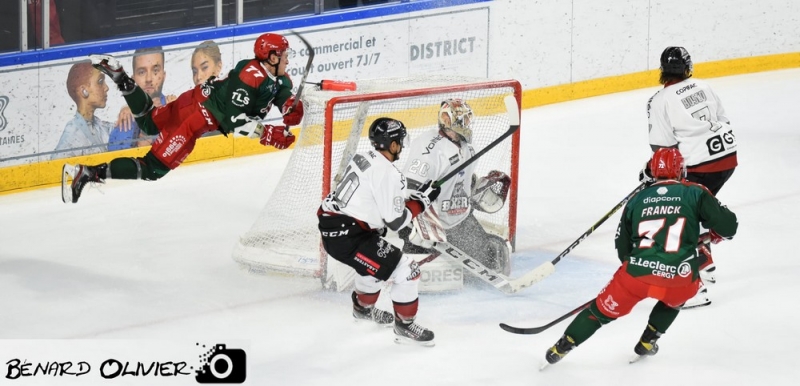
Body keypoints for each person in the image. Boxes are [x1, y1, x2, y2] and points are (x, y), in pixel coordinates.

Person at [545, 148, 738, 366]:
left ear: (652, 171)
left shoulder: (636, 200)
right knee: (676, 298)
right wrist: (714, 234)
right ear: (681, 171)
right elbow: (729, 226)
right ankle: (648, 340)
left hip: (636, 276)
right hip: (679, 277)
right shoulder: (695, 192)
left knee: (598, 313)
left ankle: (561, 347)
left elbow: (623, 248)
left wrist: (643, 265)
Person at [63, 33, 302, 203]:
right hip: (194, 118)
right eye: (284, 54)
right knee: (152, 168)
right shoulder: (250, 77)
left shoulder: (279, 78)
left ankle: (119, 76)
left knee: (148, 121)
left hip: (194, 102)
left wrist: (291, 109)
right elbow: (233, 120)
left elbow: (284, 98)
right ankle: (86, 173)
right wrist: (268, 134)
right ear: (272, 57)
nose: (287, 59)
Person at [317, 117, 441, 346]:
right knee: (408, 270)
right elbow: (396, 222)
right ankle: (405, 327)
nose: (401, 145)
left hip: (334, 228)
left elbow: (372, 194)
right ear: (393, 145)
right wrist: (421, 203)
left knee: (372, 266)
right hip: (349, 238)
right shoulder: (388, 173)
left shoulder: (363, 157)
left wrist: (410, 196)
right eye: (399, 141)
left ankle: (363, 310)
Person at [640, 46, 738, 308]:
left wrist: (652, 171)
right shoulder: (704, 86)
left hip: (700, 166)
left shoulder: (659, 100)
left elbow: (663, 149)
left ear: (662, 70)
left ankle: (692, 287)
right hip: (727, 159)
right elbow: (723, 120)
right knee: (694, 210)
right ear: (687, 67)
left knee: (676, 218)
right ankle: (704, 261)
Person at [399, 98, 512, 276]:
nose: (466, 125)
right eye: (462, 120)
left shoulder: (469, 147)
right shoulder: (429, 148)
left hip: (460, 219)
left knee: (489, 261)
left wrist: (476, 188)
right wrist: (418, 223)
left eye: (467, 120)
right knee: (416, 269)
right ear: (448, 121)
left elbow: (462, 178)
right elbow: (410, 189)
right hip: (431, 221)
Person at [108, 47, 177, 150]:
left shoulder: (177, 110)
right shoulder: (123, 124)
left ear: (163, 75)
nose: (149, 79)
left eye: (155, 70)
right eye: (141, 72)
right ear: (133, 79)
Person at [52, 62, 114, 160]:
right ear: (83, 91)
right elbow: (57, 166)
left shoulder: (102, 127)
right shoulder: (72, 136)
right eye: (100, 81)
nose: (106, 88)